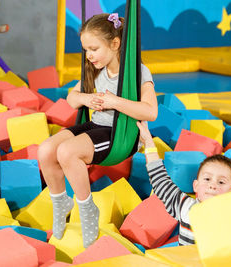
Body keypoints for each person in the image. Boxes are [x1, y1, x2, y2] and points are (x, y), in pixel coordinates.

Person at [38, 13, 158, 248]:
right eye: (85, 50)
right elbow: (72, 100)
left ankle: (87, 208)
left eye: (93, 48)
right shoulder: (96, 69)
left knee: (66, 153)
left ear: (115, 44)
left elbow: (150, 112)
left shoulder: (136, 72)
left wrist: (114, 102)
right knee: (46, 150)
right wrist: (88, 98)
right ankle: (61, 201)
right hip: (96, 126)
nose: (89, 55)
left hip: (118, 134)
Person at [136, 120, 231, 246]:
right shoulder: (186, 207)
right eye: (207, 179)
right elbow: (160, 180)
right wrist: (149, 143)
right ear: (195, 186)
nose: (213, 185)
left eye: (221, 182)